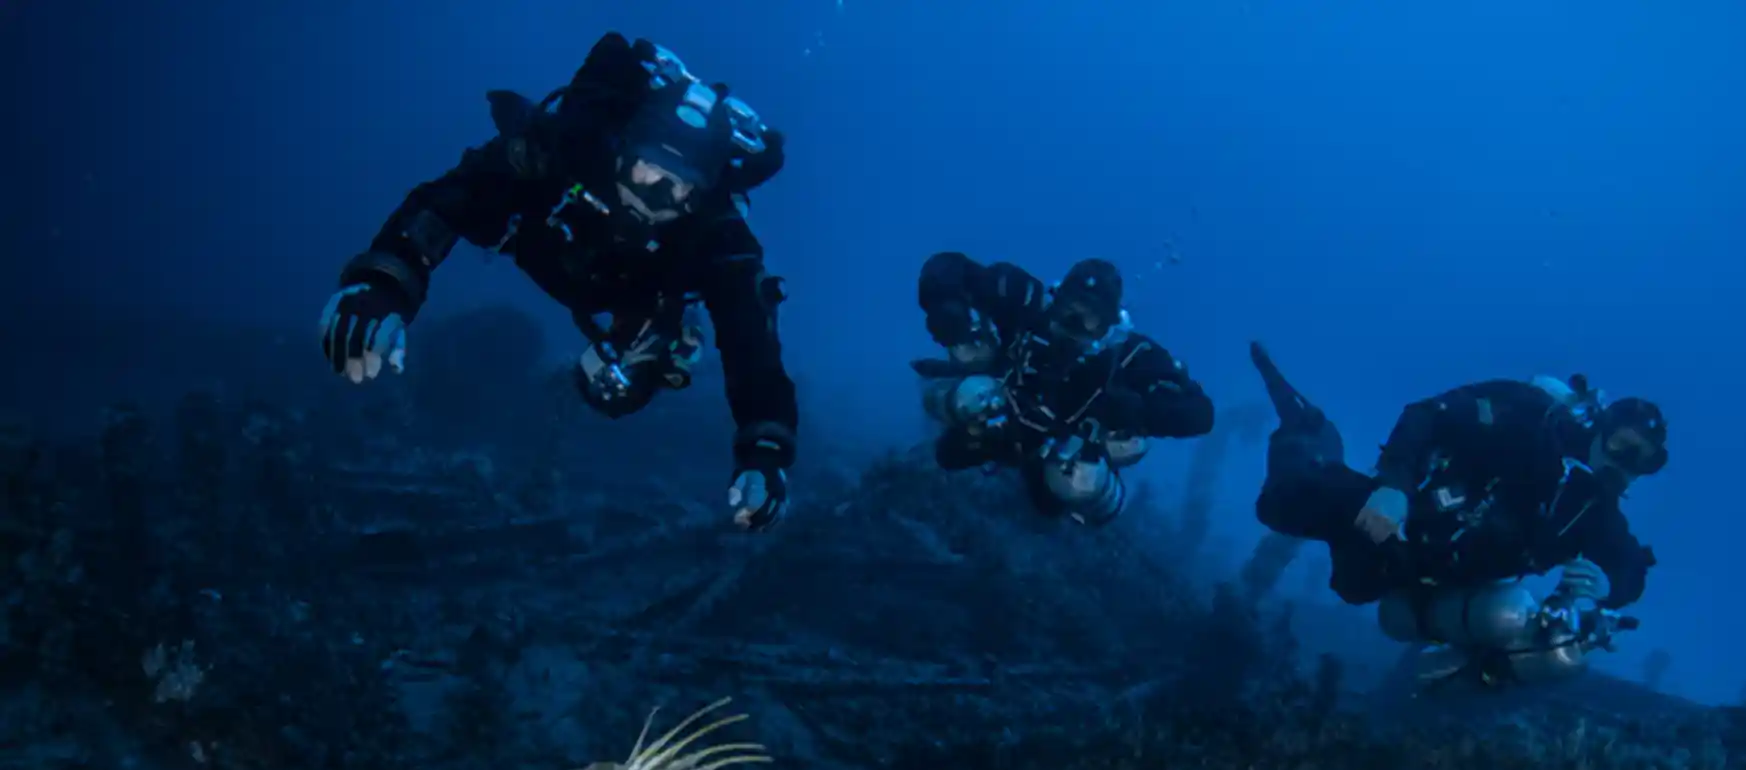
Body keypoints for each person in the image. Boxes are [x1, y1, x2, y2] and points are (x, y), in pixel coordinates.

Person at [316, 33, 799, 530]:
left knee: (616, 391)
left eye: (677, 190)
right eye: (646, 173)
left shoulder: (717, 239)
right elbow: (449, 201)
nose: (652, 198)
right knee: (504, 167)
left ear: (700, 198)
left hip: (635, 293)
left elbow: (752, 348)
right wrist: (382, 284)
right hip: (543, 238)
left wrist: (765, 452)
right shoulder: (563, 152)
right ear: (619, 152)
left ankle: (648, 351)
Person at [1256, 366, 1666, 684]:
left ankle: (1445, 695)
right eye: (1621, 447)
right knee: (1282, 505)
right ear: (1599, 429)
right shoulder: (1529, 424)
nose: (1624, 466)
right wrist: (1394, 485)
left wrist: (1609, 588)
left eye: (1643, 461)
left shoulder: (1596, 514)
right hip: (1397, 526)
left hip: (1452, 583)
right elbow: (1428, 415)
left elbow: (1631, 567)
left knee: (1362, 590)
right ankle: (1308, 429)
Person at [911, 253, 1214, 526]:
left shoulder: (1131, 355)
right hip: (996, 414)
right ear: (1056, 299)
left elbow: (1201, 414)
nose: (1074, 325)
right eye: (1069, 310)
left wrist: (1140, 410)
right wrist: (944, 307)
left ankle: (1066, 494)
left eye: (1090, 319)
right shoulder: (1025, 301)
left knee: (1056, 499)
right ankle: (962, 421)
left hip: (1059, 449)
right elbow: (949, 267)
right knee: (950, 450)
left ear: (1108, 325)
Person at [1240, 341, 1345, 600]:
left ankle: (1252, 593)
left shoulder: (1325, 440)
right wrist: (1262, 362)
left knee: (1279, 548)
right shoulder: (1299, 418)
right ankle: (1250, 590)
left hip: (1304, 504)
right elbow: (1279, 388)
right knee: (1277, 546)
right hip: (1291, 498)